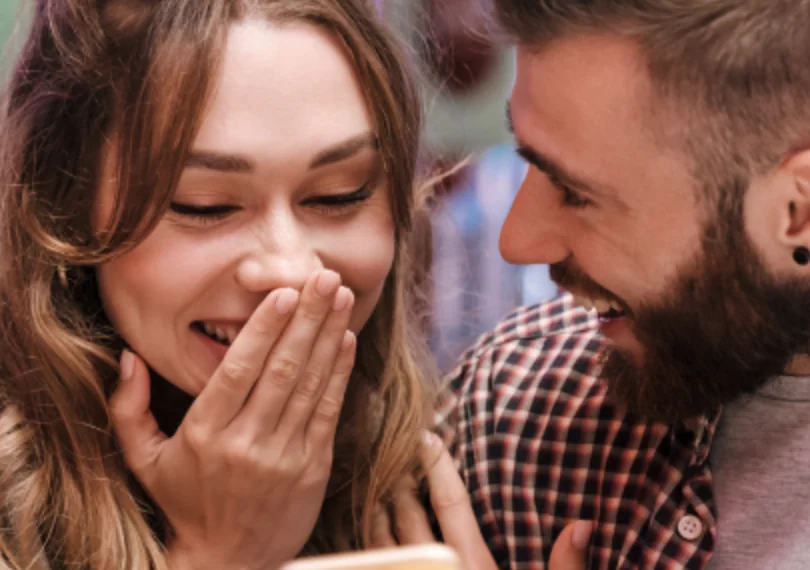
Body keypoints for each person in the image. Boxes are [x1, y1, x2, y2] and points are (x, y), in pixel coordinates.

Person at [0, 0, 443, 568]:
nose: (291, 270)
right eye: (204, 206)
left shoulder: (457, 464)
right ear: (64, 207)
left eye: (340, 194)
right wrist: (222, 552)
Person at [432, 1, 810, 569]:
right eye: (527, 158)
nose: (518, 241)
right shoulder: (512, 422)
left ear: (798, 211)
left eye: (577, 193)